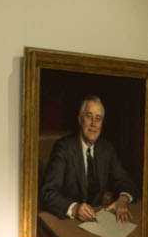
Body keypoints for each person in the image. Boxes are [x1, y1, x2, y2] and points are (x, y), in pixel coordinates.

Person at [37, 96, 139, 224]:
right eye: (89, 116)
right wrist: (75, 208)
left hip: (98, 220)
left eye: (98, 118)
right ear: (80, 119)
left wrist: (123, 200)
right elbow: (47, 193)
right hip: (69, 222)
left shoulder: (106, 148)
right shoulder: (63, 148)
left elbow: (125, 181)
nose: (93, 124)